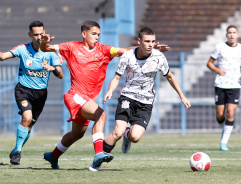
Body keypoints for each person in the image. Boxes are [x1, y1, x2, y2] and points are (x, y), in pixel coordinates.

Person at [40, 21, 169, 171]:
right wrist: (43, 42)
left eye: (98, 35)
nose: (97, 37)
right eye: (94, 34)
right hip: (75, 95)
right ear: (84, 34)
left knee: (76, 134)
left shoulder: (104, 50)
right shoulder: (71, 47)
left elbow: (126, 51)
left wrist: (149, 50)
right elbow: (46, 48)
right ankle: (99, 154)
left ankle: (53, 156)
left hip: (87, 100)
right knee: (101, 115)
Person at [102, 27, 191, 161]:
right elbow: (116, 77)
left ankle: (128, 135)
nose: (151, 44)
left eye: (153, 41)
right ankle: (99, 157)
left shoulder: (159, 57)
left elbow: (170, 77)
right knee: (117, 132)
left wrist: (182, 96)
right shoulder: (127, 56)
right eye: (147, 41)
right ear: (139, 41)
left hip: (146, 102)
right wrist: (110, 91)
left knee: (135, 137)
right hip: (128, 97)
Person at [0, 20, 64, 165]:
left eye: (41, 34)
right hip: (23, 90)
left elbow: (61, 75)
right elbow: (3, 57)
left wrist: (53, 69)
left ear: (45, 33)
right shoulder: (23, 49)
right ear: (30, 35)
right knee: (26, 118)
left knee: (28, 127)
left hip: (40, 94)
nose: (39, 37)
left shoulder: (51, 52)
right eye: (35, 34)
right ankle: (17, 152)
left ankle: (16, 148)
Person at [207, 25, 241, 151]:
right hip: (220, 84)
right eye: (229, 33)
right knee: (220, 115)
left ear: (237, 34)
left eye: (234, 32)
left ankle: (223, 143)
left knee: (230, 113)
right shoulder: (220, 47)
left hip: (234, 85)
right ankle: (225, 129)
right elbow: (209, 63)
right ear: (226, 35)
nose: (232, 35)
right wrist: (217, 70)